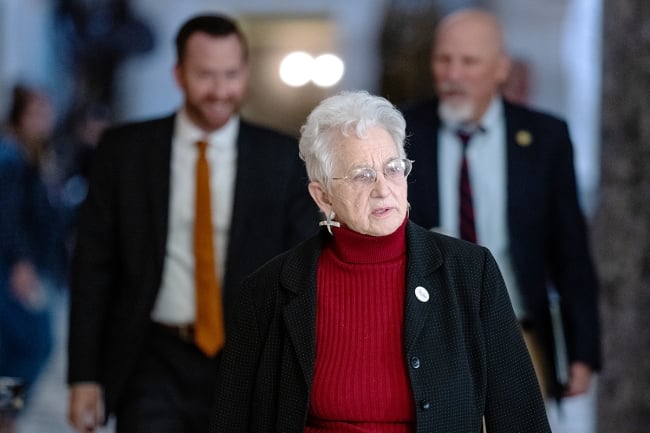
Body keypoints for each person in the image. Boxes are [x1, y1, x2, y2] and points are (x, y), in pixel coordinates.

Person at [209, 90, 551, 433]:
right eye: (362, 175)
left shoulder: (470, 273)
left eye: (393, 169)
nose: (383, 190)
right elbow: (231, 420)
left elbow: (520, 417)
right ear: (323, 195)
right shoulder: (268, 290)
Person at [66, 14, 317, 433]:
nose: (220, 90)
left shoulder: (285, 158)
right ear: (178, 74)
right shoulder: (124, 151)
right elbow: (93, 266)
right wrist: (84, 376)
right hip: (151, 359)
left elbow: (303, 275)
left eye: (231, 74)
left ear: (246, 73)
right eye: (205, 75)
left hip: (248, 361)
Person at [401, 8, 601, 431]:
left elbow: (571, 252)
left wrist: (583, 351)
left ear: (500, 68)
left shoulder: (545, 138)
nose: (453, 74)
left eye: (469, 62)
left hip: (518, 335)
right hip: (424, 337)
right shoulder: (401, 131)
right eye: (444, 59)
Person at [0, 85, 62, 433]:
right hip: (10, 267)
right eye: (35, 113)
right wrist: (21, 261)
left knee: (20, 345)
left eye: (45, 112)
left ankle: (5, 415)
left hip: (27, 265)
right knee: (33, 342)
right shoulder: (11, 155)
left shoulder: (35, 154)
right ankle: (5, 415)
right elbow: (6, 214)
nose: (43, 121)